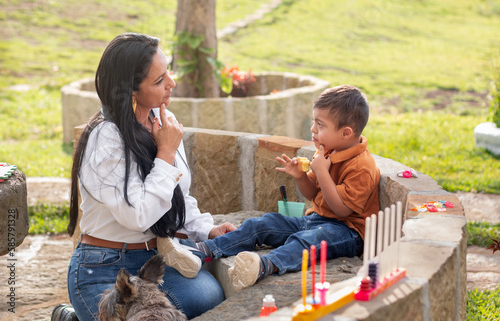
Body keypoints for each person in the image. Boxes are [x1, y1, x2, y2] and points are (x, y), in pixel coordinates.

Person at [64, 32, 236, 321]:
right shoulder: (106, 138)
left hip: (152, 264)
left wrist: (204, 229)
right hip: (105, 266)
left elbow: (178, 194)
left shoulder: (160, 121)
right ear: (132, 92)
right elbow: (138, 216)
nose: (172, 83)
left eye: (168, 72)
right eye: (159, 81)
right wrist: (165, 154)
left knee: (208, 297)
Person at [180, 85, 380, 291]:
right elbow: (313, 194)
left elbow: (342, 210)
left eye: (320, 124)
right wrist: (301, 177)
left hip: (348, 232)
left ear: (346, 133)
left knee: (305, 241)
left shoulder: (362, 166)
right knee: (263, 224)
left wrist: (321, 171)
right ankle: (202, 250)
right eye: (314, 121)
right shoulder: (327, 151)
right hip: (316, 220)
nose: (313, 129)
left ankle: (263, 266)